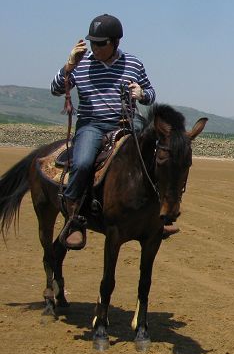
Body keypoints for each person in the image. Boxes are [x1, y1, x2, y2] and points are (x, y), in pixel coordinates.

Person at [50, 14, 156, 249]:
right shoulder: (81, 63)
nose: (94, 48)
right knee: (83, 162)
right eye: (92, 43)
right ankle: (74, 219)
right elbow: (56, 89)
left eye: (100, 43)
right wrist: (68, 66)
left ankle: (158, 213)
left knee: (155, 150)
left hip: (127, 122)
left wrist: (142, 94)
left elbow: (150, 93)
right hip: (92, 125)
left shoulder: (134, 64)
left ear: (115, 42)